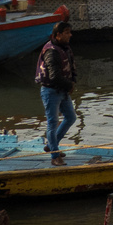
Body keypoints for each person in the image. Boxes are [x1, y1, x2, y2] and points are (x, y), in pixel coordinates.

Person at [36, 23, 77, 166]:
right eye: (66, 32)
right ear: (57, 35)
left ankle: (51, 145)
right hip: (51, 91)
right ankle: (54, 156)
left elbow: (71, 68)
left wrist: (73, 82)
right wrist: (69, 85)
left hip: (63, 90)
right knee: (52, 123)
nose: (69, 35)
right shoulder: (51, 52)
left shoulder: (65, 48)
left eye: (70, 32)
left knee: (71, 117)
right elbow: (54, 77)